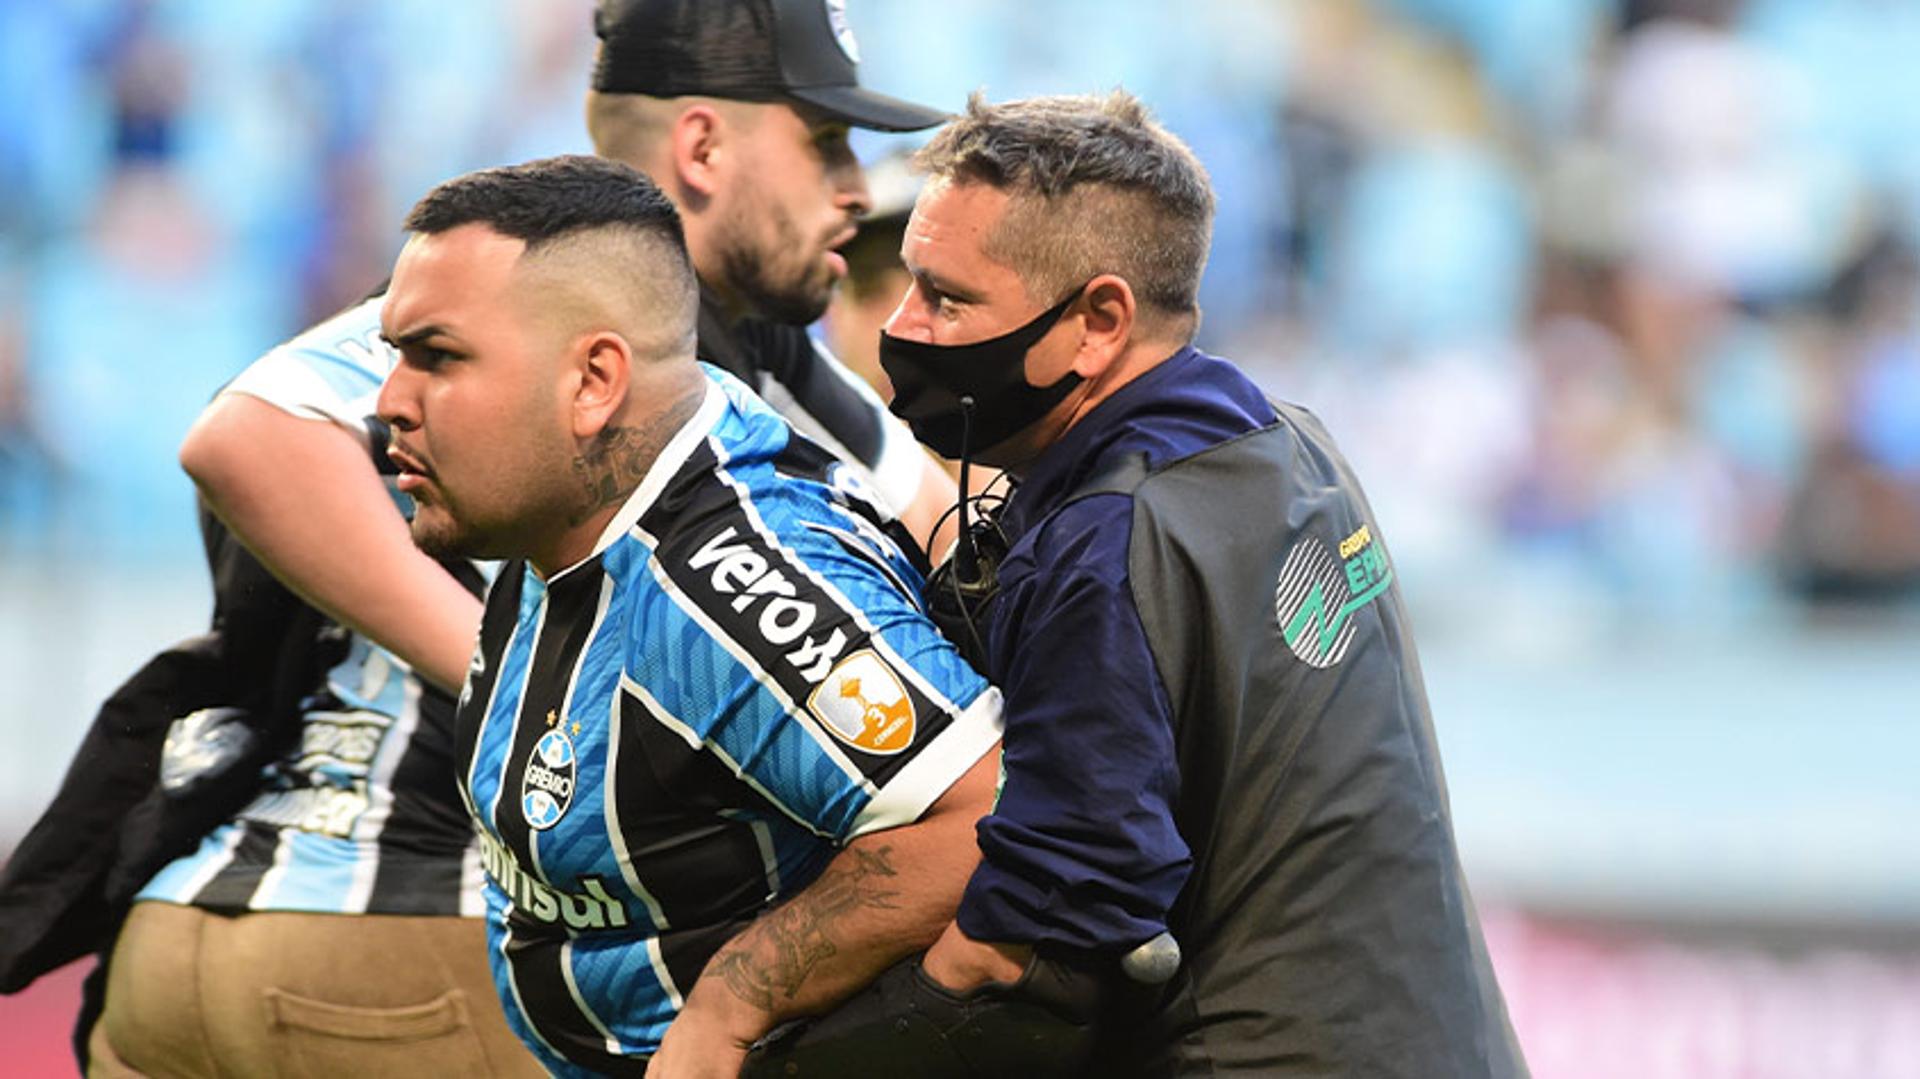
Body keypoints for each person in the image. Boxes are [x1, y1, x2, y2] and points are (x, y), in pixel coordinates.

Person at [755, 91, 1528, 1076]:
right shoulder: (1292, 444)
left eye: (946, 298)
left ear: (1099, 320)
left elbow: (1045, 924)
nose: (903, 327)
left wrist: (781, 1045)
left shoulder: (1106, 541)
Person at [372, 154, 1002, 1077]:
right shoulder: (552, 514)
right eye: (395, 356)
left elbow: (988, 816)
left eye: (438, 357)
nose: (390, 401)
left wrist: (733, 998)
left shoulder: (727, 582)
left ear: (594, 381)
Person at [586, 0, 957, 551]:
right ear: (703, 151)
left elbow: (947, 531)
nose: (856, 190)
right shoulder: (558, 358)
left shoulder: (753, 332)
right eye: (827, 141)